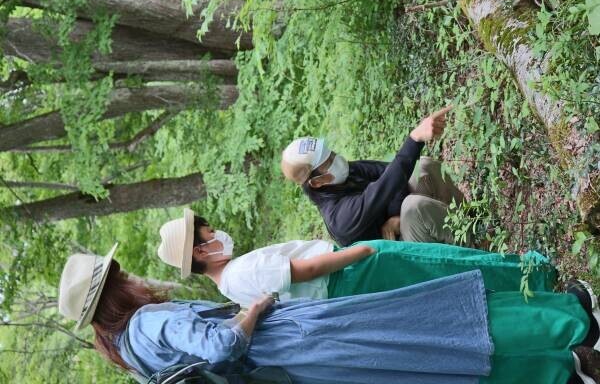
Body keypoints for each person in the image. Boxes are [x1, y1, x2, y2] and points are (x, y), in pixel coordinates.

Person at [59, 244, 600, 383]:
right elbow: (223, 345)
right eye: (121, 278)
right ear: (114, 293)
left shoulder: (134, 356)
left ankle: (559, 370)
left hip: (304, 368)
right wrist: (255, 310)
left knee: (430, 365)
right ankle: (572, 324)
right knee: (437, 322)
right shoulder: (150, 323)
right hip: (306, 340)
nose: (132, 279)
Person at [157, 209, 557, 308]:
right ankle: (532, 273)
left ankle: (526, 287)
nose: (216, 233)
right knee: (439, 262)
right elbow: (304, 269)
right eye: (208, 232)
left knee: (438, 280)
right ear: (199, 251)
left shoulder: (230, 290)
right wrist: (363, 251)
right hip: (351, 271)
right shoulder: (241, 271)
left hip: (346, 287)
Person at [280, 105, 467, 247]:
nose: (335, 158)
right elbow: (388, 183)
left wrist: (394, 216)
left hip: (401, 226)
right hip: (402, 254)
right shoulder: (341, 218)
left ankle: (470, 218)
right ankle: (474, 246)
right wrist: (415, 138)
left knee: (425, 168)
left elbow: (392, 174)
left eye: (331, 152)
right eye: (327, 161)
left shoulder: (345, 173)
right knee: (413, 208)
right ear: (317, 182)